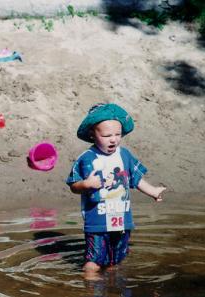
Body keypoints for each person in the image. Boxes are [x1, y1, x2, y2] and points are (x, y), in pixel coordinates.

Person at [66, 103, 166, 276]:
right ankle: (91, 285)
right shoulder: (87, 158)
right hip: (97, 223)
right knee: (93, 261)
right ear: (92, 134)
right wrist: (86, 184)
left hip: (122, 221)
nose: (113, 139)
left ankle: (112, 284)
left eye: (118, 134)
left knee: (116, 260)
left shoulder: (124, 154)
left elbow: (136, 178)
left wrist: (153, 191)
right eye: (106, 135)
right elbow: (73, 185)